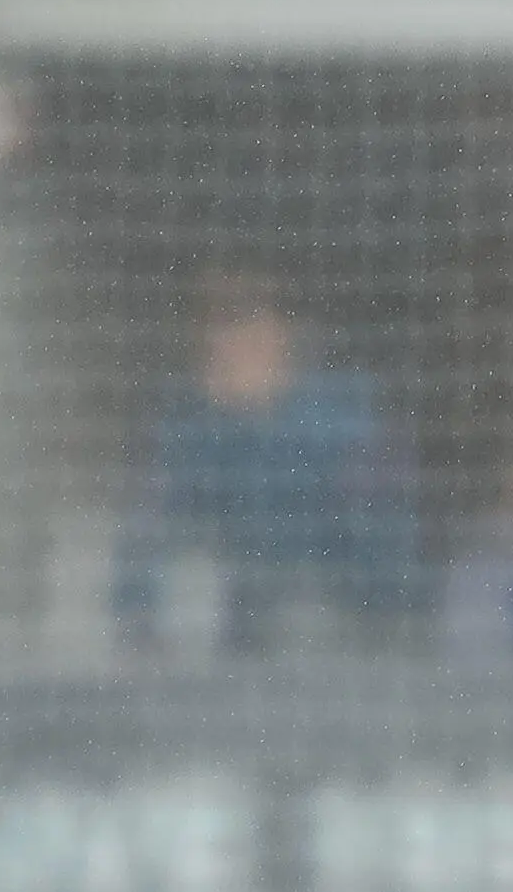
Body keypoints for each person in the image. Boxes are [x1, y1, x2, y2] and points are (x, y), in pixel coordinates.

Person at [113, 270, 418, 651]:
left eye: (243, 326)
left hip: (333, 622)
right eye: (217, 332)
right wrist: (139, 619)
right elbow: (151, 531)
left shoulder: (345, 418)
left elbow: (384, 550)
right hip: (232, 630)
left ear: (282, 336)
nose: (227, 347)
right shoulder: (189, 428)